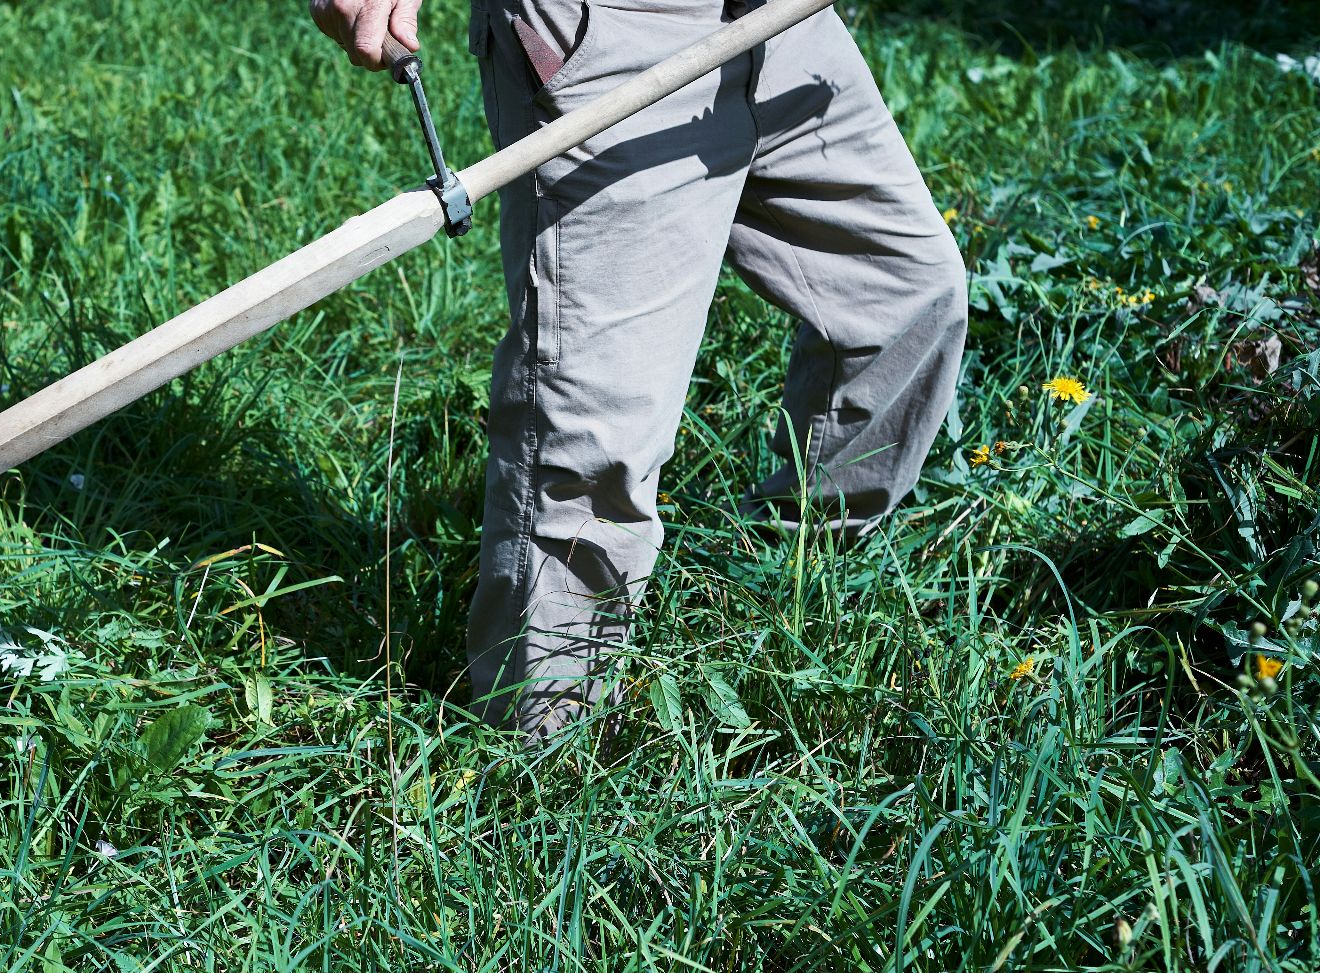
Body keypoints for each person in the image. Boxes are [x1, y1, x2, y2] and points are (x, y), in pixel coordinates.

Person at [310, 0, 967, 735]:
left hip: (787, 23)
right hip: (616, 33)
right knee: (593, 445)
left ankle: (790, 585)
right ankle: (543, 752)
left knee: (906, 297)